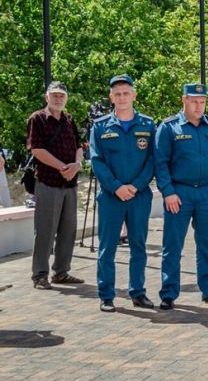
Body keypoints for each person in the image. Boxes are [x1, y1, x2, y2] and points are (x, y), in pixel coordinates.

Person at [154, 83, 208, 309]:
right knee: (172, 245)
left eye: (203, 101)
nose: (199, 106)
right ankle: (169, 293)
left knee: (206, 244)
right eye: (194, 101)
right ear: (184, 100)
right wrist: (168, 192)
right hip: (179, 193)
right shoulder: (169, 127)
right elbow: (160, 162)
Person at [89, 75, 156, 312]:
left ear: (134, 95)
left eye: (126, 93)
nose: (122, 97)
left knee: (139, 246)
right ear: (111, 98)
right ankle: (106, 295)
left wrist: (136, 186)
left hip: (139, 196)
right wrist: (116, 187)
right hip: (110, 196)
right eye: (117, 94)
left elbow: (152, 160)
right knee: (107, 247)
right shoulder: (100, 127)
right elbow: (96, 161)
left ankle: (137, 292)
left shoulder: (148, 125)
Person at [27, 81, 85, 289]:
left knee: (68, 230)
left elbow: (79, 146)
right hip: (49, 182)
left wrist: (77, 164)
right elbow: (37, 149)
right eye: (54, 95)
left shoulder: (69, 120)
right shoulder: (38, 119)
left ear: (66, 98)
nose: (58, 99)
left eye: (62, 95)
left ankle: (61, 272)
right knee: (45, 230)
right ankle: (40, 275)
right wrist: (63, 167)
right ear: (47, 97)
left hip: (69, 184)